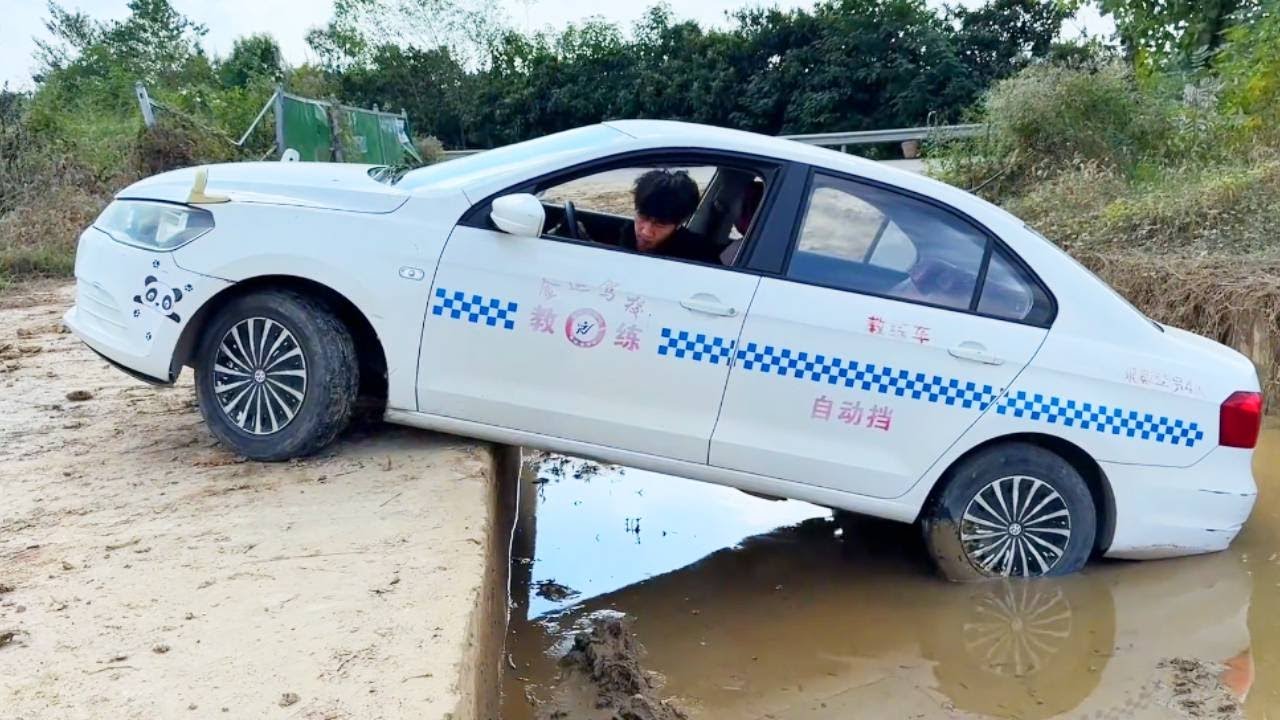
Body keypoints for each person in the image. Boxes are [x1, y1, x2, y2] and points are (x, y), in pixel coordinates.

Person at [617, 169, 721, 264]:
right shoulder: (624, 239)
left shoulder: (696, 260)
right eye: (643, 216)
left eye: (660, 224)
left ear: (679, 224)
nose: (646, 232)